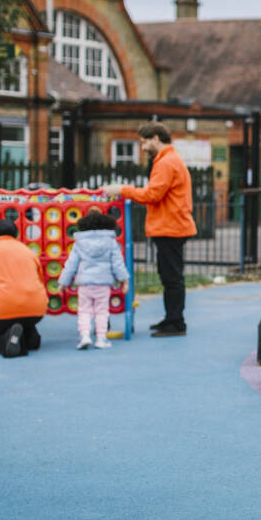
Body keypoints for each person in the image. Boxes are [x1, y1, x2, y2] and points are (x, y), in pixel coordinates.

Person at [102, 121, 196, 337]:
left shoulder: (165, 163)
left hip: (169, 227)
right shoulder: (169, 160)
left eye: (144, 142)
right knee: (169, 276)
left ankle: (175, 323)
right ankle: (171, 319)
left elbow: (152, 195)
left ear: (156, 138)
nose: (143, 147)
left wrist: (122, 190)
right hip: (171, 225)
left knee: (172, 277)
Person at [58, 209, 129, 350]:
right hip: (103, 283)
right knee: (102, 311)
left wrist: (63, 282)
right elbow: (118, 263)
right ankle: (101, 338)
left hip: (85, 284)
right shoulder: (110, 242)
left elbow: (71, 264)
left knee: (84, 310)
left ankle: (84, 336)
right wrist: (124, 280)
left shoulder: (79, 243)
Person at [0, 219, 47, 357]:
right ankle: (31, 338)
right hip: (36, 309)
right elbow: (40, 280)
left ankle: (11, 340)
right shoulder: (28, 251)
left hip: (5, 307)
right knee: (23, 320)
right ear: (16, 234)